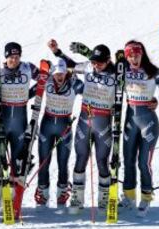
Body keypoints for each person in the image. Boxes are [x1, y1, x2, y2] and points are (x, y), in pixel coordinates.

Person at [48, 39, 116, 214]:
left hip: (103, 121)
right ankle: (77, 199)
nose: (96, 65)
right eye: (94, 61)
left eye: (100, 62)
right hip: (85, 120)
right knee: (80, 158)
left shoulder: (116, 73)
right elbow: (71, 65)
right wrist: (57, 52)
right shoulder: (87, 67)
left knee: (102, 161)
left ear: (108, 61)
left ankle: (104, 198)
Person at [120, 40, 159, 217]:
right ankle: (129, 196)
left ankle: (146, 197)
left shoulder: (153, 72)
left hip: (148, 123)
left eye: (136, 54)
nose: (133, 58)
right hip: (130, 120)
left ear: (142, 54)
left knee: (143, 162)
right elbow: (101, 65)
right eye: (130, 55)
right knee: (128, 159)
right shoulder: (123, 70)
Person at [0, 42, 39, 212]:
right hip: (1, 120)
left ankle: (12, 197)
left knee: (18, 160)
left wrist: (29, 94)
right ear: (6, 57)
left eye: (17, 57)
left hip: (20, 120)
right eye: (11, 57)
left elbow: (45, 80)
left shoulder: (28, 68)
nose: (14, 60)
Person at [34, 57, 84, 208]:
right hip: (47, 124)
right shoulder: (47, 81)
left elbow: (92, 93)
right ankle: (42, 192)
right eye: (56, 73)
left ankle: (62, 191)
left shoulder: (75, 83)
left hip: (64, 126)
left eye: (62, 73)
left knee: (63, 161)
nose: (59, 76)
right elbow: (30, 93)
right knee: (44, 160)